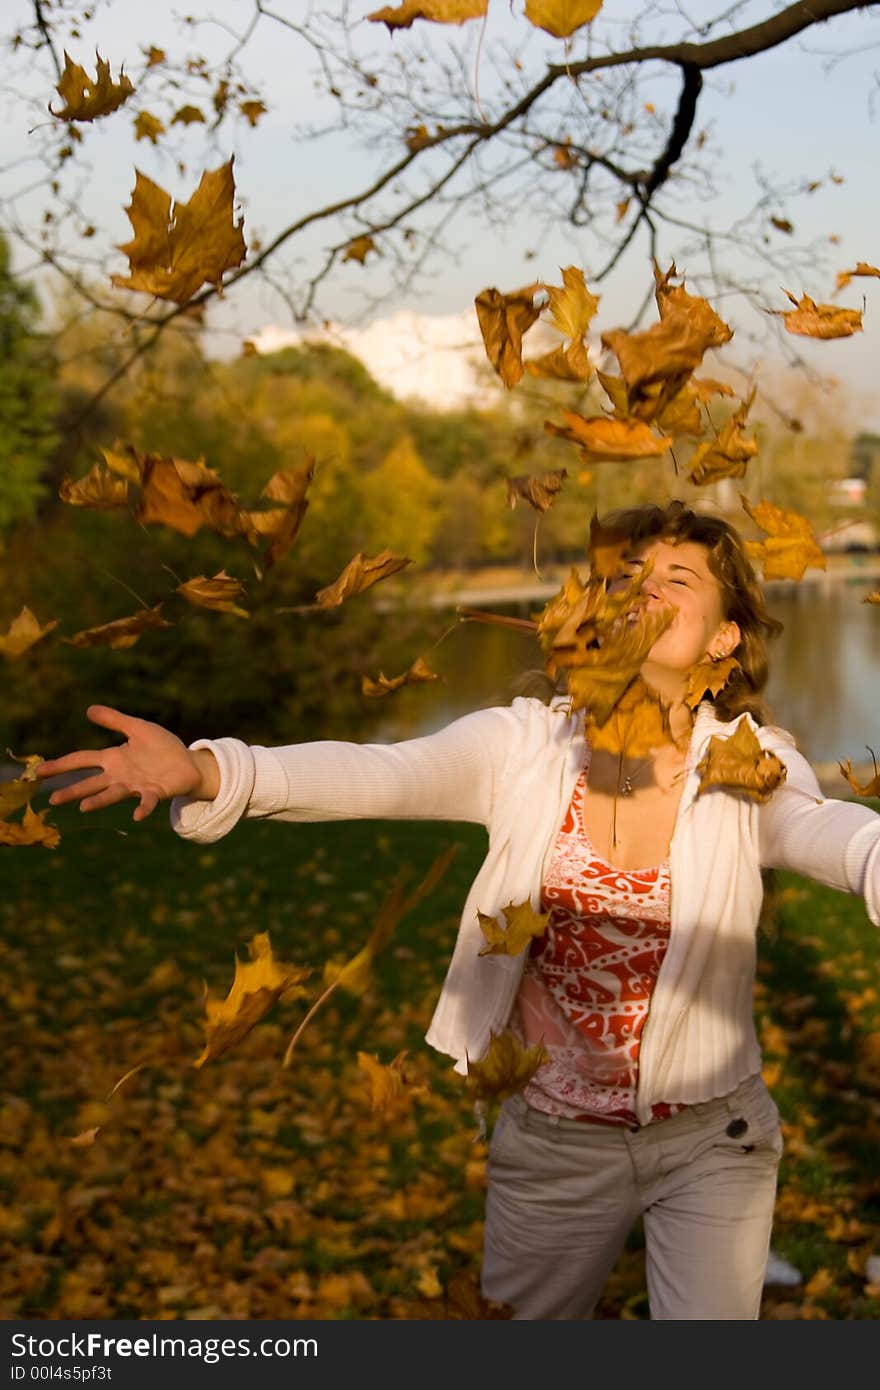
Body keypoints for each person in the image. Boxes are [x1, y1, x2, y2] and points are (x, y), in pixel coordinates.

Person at [36, 499, 879, 1320]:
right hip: (553, 1145)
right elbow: (387, 774)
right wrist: (212, 771)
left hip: (713, 1138)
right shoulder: (528, 746)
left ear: (725, 638)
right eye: (633, 573)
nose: (646, 587)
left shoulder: (744, 760)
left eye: (679, 578)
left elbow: (821, 831)